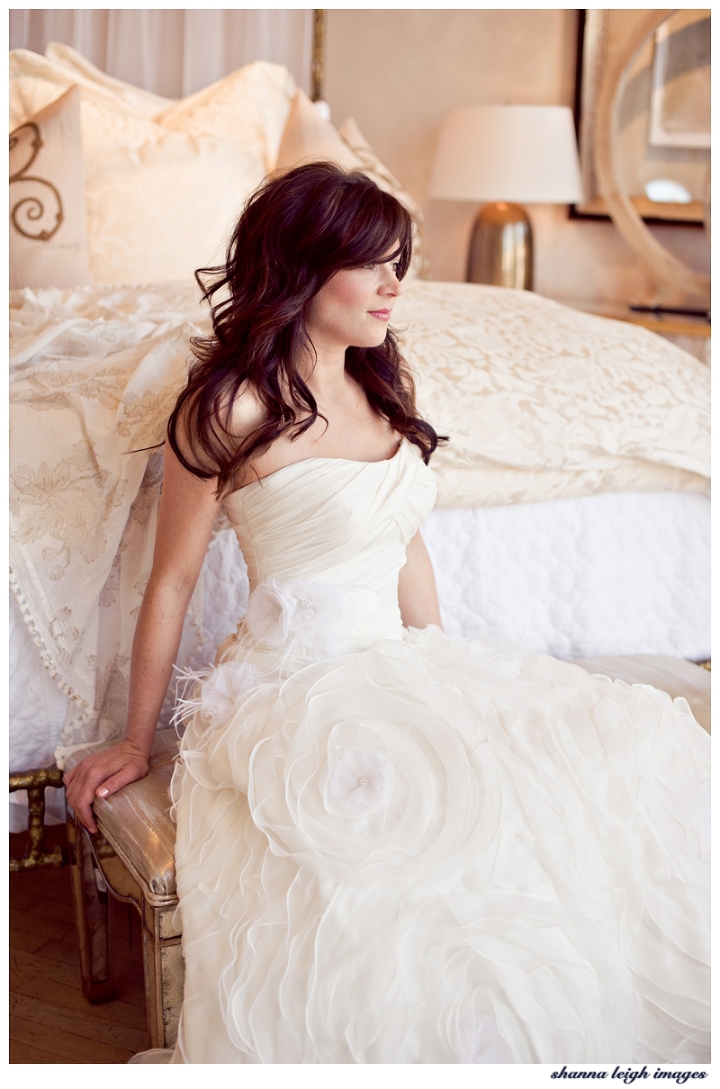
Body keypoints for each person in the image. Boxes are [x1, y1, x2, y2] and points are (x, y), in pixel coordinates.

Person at [65, 162, 709, 1065]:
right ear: (299, 269)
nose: (394, 286)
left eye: (399, 263)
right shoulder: (229, 409)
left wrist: (447, 676)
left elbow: (406, 544)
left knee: (591, 770)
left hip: (397, 661)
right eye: (371, 264)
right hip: (293, 686)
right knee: (403, 845)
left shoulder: (380, 391)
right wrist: (136, 738)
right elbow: (169, 581)